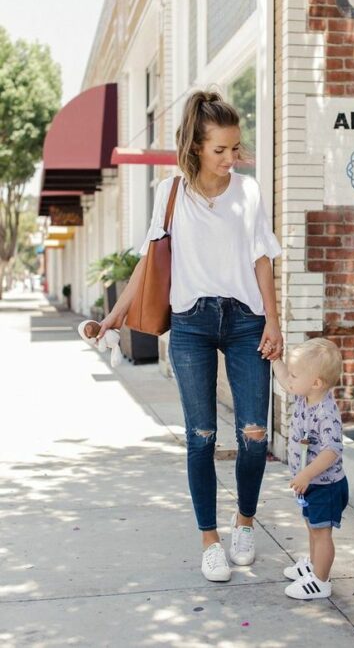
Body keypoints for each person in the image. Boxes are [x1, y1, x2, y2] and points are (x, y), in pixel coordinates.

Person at [97, 90, 282, 582]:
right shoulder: (170, 192)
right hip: (191, 324)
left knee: (253, 434)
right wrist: (114, 315)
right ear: (197, 146)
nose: (230, 159)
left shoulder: (248, 191)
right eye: (220, 150)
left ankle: (244, 523)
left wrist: (274, 320)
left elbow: (262, 257)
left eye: (235, 148)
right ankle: (210, 540)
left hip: (246, 320)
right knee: (201, 438)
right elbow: (150, 261)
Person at [271, 337, 348, 600]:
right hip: (311, 484)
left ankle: (321, 580)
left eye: (295, 375)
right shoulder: (306, 397)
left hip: (324, 485)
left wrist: (305, 474)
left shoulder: (325, 413)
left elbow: (332, 450)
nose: (289, 380)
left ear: (316, 382)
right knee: (312, 526)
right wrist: (275, 360)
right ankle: (314, 565)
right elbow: (284, 379)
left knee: (321, 532)